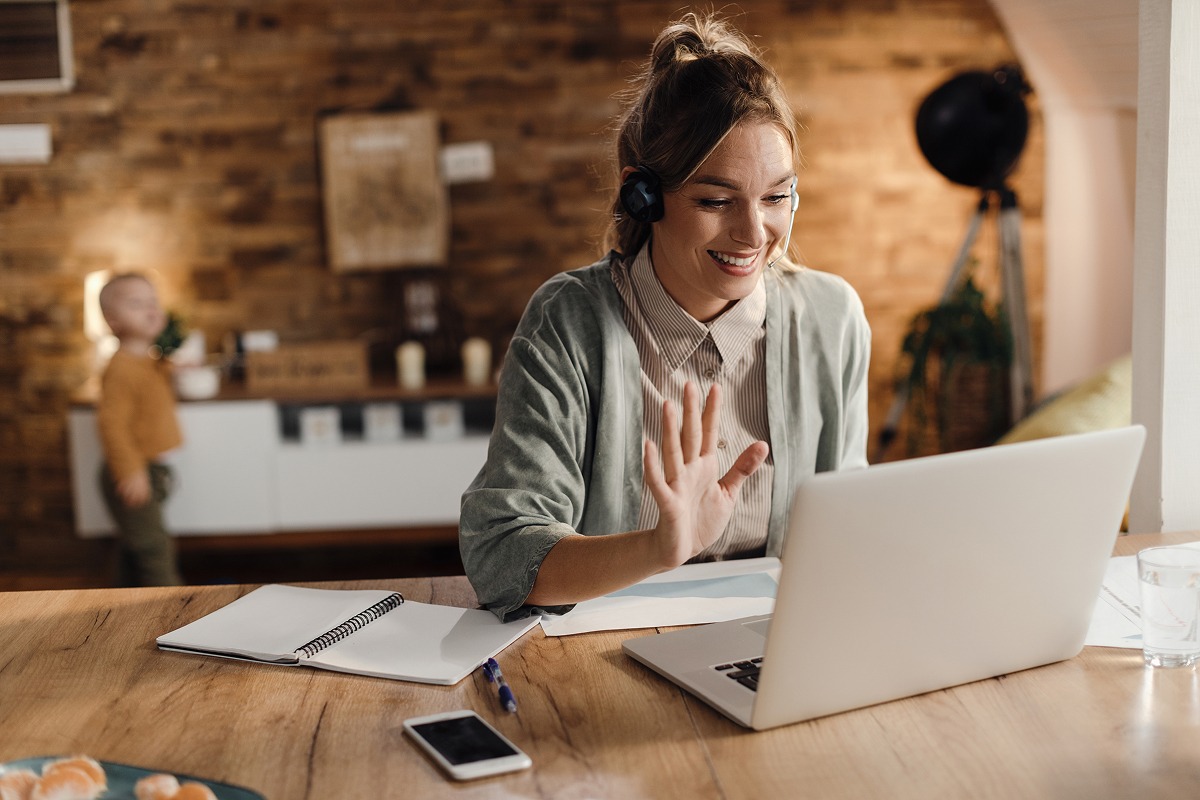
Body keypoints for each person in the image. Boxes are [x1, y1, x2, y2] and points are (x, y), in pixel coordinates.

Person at [460, 12, 870, 621]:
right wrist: (657, 549)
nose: (753, 233)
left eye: (776, 197)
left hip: (780, 645)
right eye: (715, 200)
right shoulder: (569, 324)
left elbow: (851, 529)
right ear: (643, 195)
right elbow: (500, 558)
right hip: (607, 654)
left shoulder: (832, 317)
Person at [95, 273, 185, 586]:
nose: (150, 310)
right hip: (134, 470)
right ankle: (172, 609)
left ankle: (119, 605)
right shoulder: (120, 368)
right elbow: (111, 425)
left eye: (153, 302)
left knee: (137, 544)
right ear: (112, 320)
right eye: (137, 304)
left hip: (152, 470)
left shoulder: (147, 360)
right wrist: (131, 471)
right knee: (154, 548)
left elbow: (154, 380)